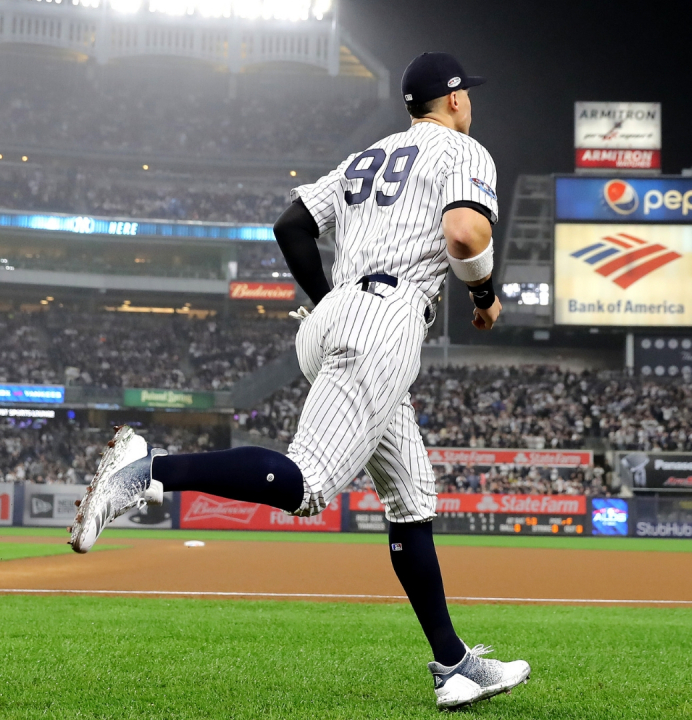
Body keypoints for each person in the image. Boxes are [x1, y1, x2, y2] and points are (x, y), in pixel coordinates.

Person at [68, 52, 529, 710]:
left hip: (336, 313)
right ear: (453, 100)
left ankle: (454, 665)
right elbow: (463, 232)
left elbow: (290, 225)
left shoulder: (370, 155)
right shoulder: (464, 150)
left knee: (411, 498)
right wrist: (486, 294)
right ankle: (149, 471)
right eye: (468, 96)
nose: (471, 106)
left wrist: (331, 303)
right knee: (309, 484)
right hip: (386, 318)